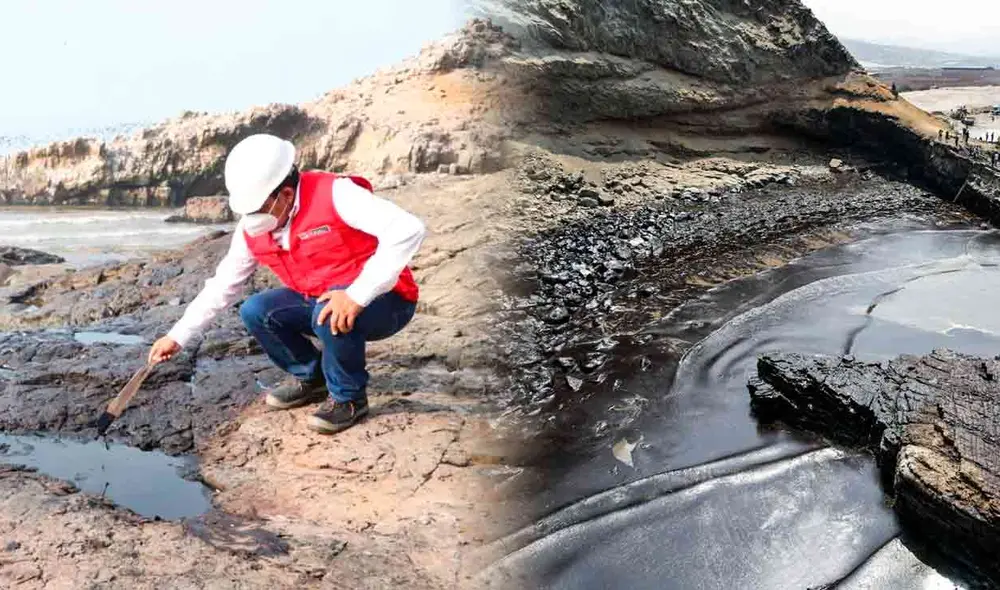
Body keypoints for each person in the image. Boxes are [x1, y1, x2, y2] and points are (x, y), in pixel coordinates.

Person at [147, 134, 426, 434]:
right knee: (256, 310)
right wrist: (177, 336)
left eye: (259, 208)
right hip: (320, 297)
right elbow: (223, 284)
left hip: (386, 301)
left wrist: (357, 295)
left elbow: (408, 229)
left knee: (329, 310)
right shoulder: (251, 228)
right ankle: (312, 377)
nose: (252, 219)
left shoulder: (336, 194)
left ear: (286, 194)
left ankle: (349, 398)